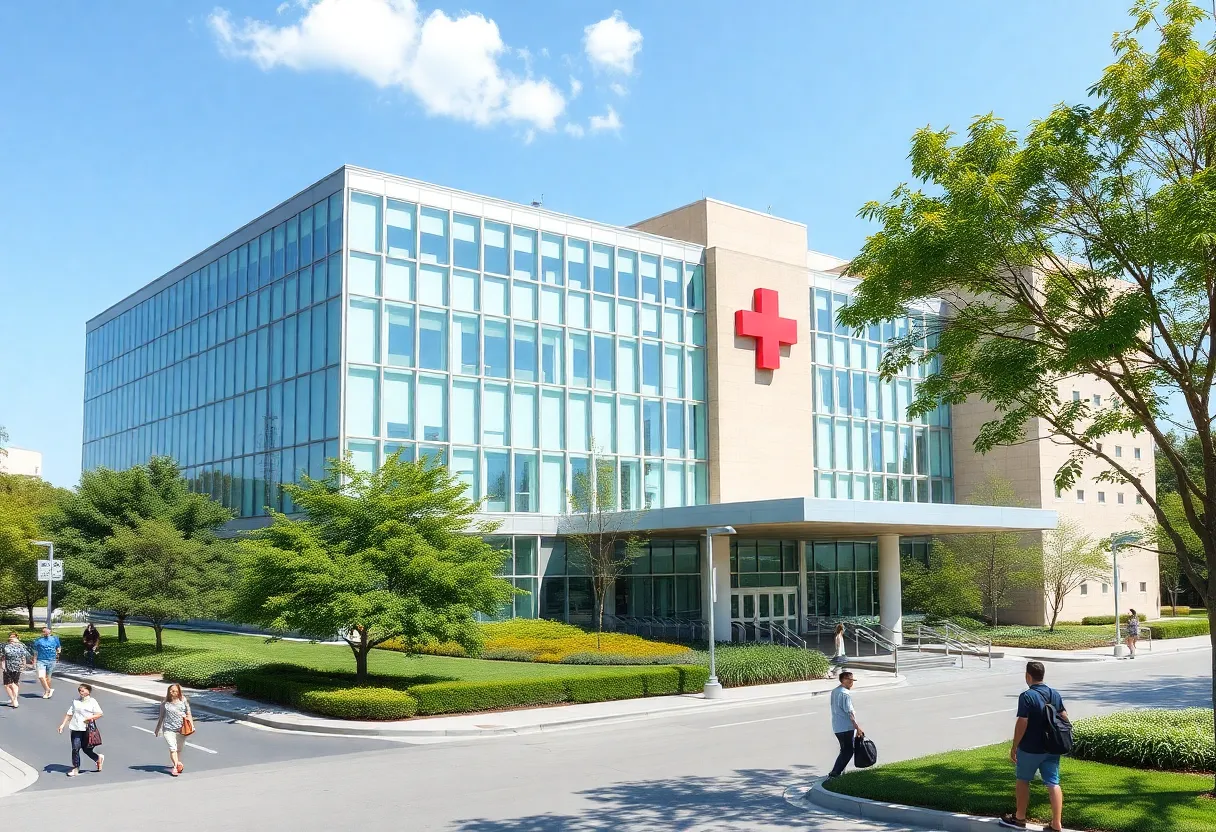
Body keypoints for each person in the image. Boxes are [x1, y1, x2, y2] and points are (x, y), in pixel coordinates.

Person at [1000, 661, 1067, 831]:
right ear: (1042, 675)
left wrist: (1015, 746)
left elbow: (1022, 722)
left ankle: (1020, 817)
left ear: (1028, 676)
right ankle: (1056, 823)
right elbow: (1064, 718)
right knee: (1053, 782)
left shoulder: (1027, 696)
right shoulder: (1054, 694)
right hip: (1052, 748)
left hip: (1030, 748)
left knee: (1023, 780)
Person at [57, 683, 104, 778]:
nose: (81, 692)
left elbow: (99, 713)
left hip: (87, 729)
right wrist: (62, 725)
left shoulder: (92, 701)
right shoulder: (76, 701)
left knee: (87, 749)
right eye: (80, 690)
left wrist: (90, 718)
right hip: (75, 727)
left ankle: (98, 758)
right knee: (75, 748)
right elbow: (69, 714)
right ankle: (75, 768)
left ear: (88, 691)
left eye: (83, 690)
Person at [827, 670, 862, 778]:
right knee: (848, 751)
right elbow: (850, 712)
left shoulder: (835, 691)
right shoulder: (845, 694)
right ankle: (835, 773)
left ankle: (839, 771)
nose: (852, 683)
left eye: (852, 680)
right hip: (846, 727)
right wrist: (857, 727)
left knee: (844, 749)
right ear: (844, 680)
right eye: (850, 680)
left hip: (837, 726)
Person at [154, 683, 193, 776]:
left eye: (175, 691)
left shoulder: (183, 700)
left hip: (181, 728)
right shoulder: (164, 703)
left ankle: (177, 763)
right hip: (168, 729)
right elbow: (161, 717)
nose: (173, 692)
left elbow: (188, 713)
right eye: (171, 690)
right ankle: (175, 766)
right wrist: (157, 729)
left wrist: (191, 725)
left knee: (178, 749)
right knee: (173, 748)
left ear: (179, 691)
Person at [2, 632, 32, 708]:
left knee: (8, 684)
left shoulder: (6, 646)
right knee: (13, 683)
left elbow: (2, 657)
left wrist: (24, 665)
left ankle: (13, 699)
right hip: (13, 666)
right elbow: (25, 656)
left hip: (11, 666)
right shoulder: (20, 646)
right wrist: (23, 665)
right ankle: (14, 699)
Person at [32, 626, 61, 699]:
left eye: (47, 630)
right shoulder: (38, 640)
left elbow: (58, 648)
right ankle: (48, 689)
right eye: (44, 631)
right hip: (41, 660)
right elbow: (35, 652)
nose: (45, 632)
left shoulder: (55, 639)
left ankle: (46, 692)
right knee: (41, 676)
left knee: (48, 678)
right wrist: (34, 661)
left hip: (51, 660)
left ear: (50, 631)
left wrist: (58, 654)